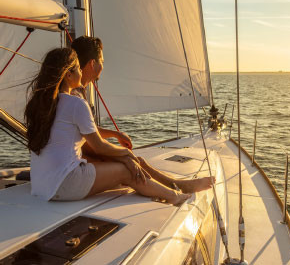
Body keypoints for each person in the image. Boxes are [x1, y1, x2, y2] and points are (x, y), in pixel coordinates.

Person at [25, 48, 214, 204]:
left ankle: (172, 187)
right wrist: (127, 155)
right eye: (77, 69)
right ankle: (175, 196)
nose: (81, 73)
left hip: (41, 187)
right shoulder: (75, 103)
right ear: (68, 74)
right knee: (127, 171)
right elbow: (99, 146)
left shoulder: (41, 104)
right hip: (65, 184)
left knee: (123, 167)